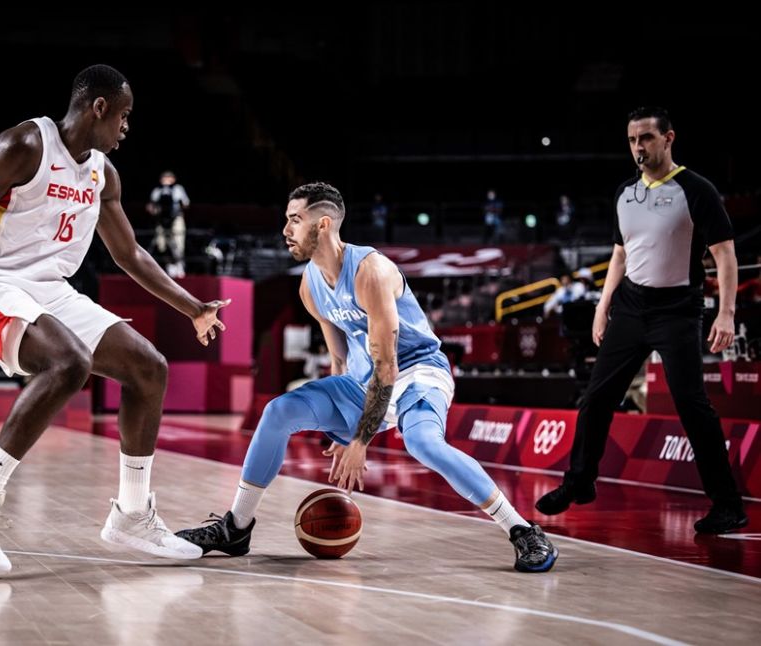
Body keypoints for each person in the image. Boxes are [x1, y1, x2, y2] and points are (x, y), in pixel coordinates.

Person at [0, 64, 229, 574]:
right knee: (69, 362)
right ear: (99, 107)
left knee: (149, 368)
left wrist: (193, 307)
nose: (127, 127)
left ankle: (132, 516)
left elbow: (130, 254)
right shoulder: (23, 146)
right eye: (124, 115)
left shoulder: (103, 174)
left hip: (47, 289)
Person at [176, 182, 558, 572]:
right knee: (278, 412)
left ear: (323, 224)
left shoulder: (370, 272)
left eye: (295, 220)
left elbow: (388, 367)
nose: (285, 230)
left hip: (417, 371)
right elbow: (339, 359)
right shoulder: (310, 285)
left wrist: (360, 439)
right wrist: (340, 429)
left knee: (423, 442)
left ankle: (522, 530)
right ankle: (236, 528)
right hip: (362, 382)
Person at [535, 107, 748, 534]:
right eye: (632, 140)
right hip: (631, 307)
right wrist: (603, 305)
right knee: (595, 398)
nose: (638, 147)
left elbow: (725, 254)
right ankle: (579, 483)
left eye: (646, 138)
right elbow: (620, 254)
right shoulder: (624, 193)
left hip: (678, 309)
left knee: (692, 405)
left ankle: (728, 505)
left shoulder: (696, 189)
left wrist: (726, 312)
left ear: (668, 138)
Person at [146, 170, 190, 277]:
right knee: (161, 244)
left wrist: (177, 207)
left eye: (169, 178)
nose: (166, 181)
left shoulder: (178, 189)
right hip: (161, 220)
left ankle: (179, 265)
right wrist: (154, 210)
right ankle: (169, 265)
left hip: (176, 218)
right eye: (164, 178)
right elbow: (151, 206)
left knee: (178, 243)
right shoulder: (157, 191)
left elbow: (186, 204)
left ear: (173, 179)